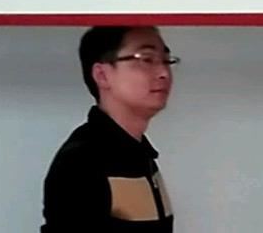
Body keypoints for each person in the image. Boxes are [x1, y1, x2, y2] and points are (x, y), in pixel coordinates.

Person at [40, 25, 179, 232]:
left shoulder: (142, 155)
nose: (163, 72)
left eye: (166, 60)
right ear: (102, 75)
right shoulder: (82, 162)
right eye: (146, 59)